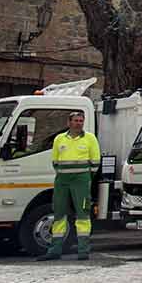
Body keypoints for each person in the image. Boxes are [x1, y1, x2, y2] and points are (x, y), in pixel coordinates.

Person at [37, 110, 100, 262]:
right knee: (58, 213)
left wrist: (85, 177)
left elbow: (96, 161)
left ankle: (83, 251)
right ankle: (54, 250)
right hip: (62, 180)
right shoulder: (59, 139)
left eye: (81, 121)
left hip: (81, 180)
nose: (79, 123)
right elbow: (55, 161)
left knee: (83, 214)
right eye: (76, 120)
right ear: (69, 122)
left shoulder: (90, 138)